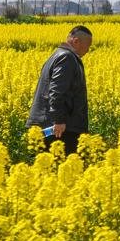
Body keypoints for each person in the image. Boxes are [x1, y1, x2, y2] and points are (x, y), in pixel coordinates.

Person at [27, 25, 92, 154]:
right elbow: (56, 91)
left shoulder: (57, 55)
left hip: (53, 125)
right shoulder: (66, 58)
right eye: (88, 45)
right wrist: (59, 120)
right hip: (59, 129)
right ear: (76, 41)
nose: (88, 50)